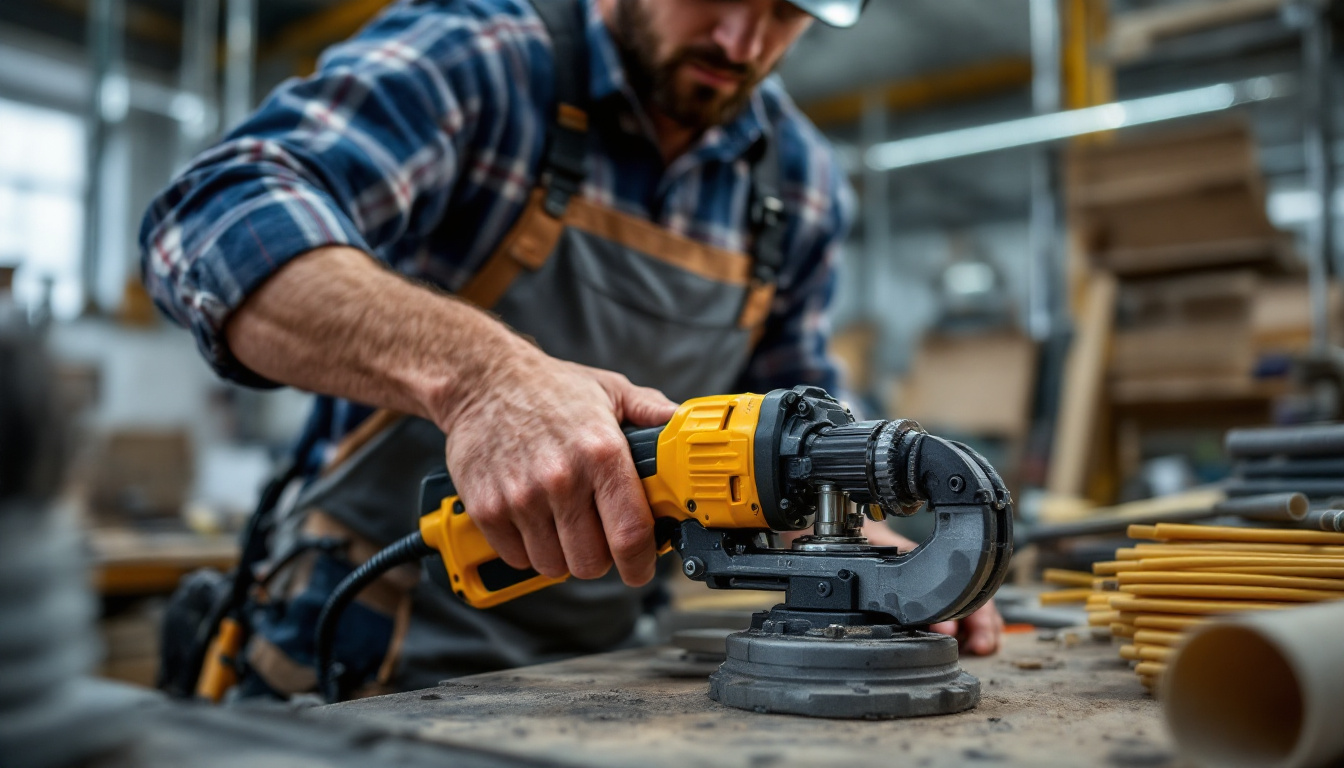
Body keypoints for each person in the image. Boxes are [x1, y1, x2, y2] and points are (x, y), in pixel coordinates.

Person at [140, 0, 1003, 698]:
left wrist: (859, 543)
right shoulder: (483, 55)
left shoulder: (800, 184)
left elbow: (790, 417)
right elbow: (212, 217)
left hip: (609, 661)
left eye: (786, 12)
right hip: (369, 640)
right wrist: (483, 379)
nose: (744, 40)